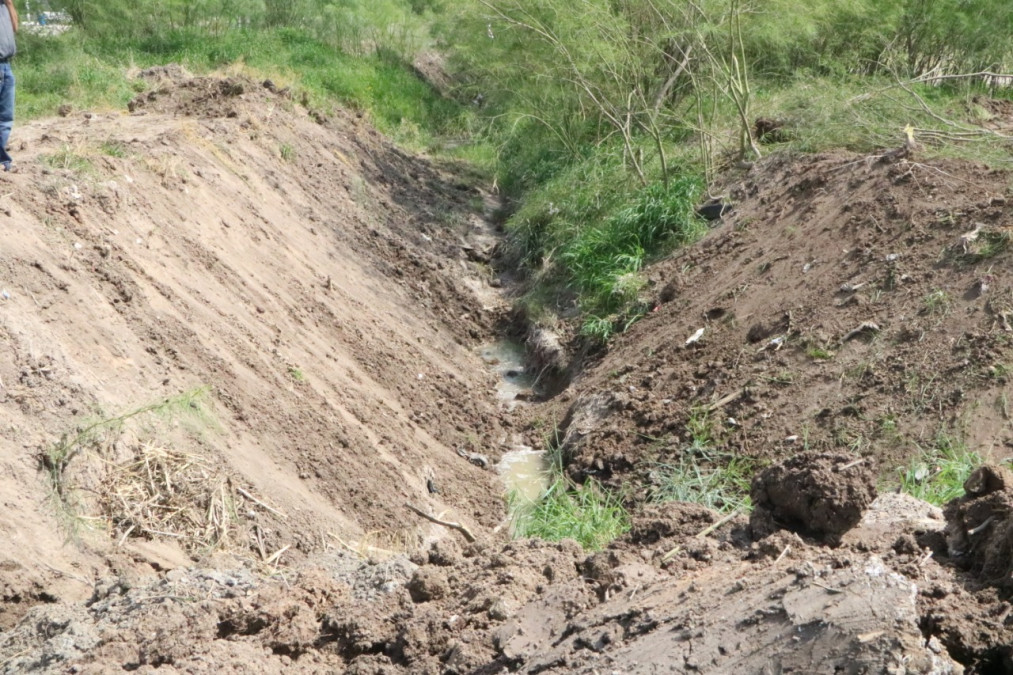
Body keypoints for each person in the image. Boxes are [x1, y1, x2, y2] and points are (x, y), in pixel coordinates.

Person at [0, 0, 17, 173]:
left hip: (6, 65)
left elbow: (15, 28)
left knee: (5, 119)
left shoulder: (4, 6)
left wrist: (10, 4)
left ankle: (2, 161)